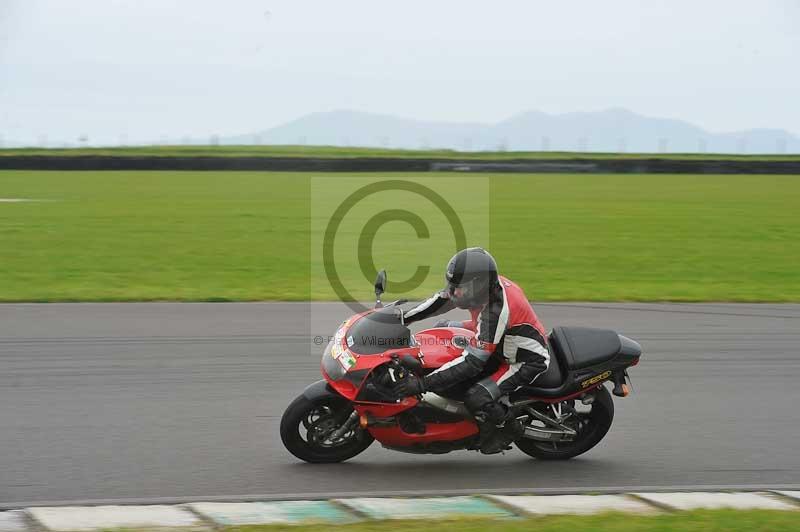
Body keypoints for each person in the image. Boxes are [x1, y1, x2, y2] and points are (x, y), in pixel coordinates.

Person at [393, 247, 550, 454]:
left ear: (478, 286)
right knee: (443, 326)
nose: (455, 292)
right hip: (499, 340)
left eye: (460, 288)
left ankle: (506, 428)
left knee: (477, 396)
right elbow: (439, 302)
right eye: (453, 285)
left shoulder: (496, 311)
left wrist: (422, 384)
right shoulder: (480, 289)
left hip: (523, 359)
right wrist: (401, 318)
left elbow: (473, 363)